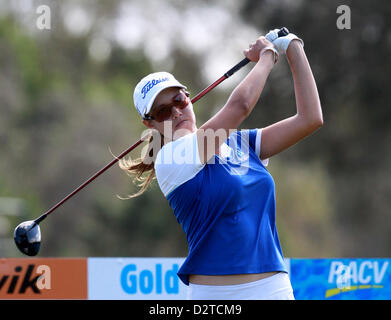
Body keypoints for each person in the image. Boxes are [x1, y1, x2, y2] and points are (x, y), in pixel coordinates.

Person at [120, 29, 323, 300]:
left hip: (274, 289)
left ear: (189, 97)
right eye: (163, 111)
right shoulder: (170, 160)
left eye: (179, 100)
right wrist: (266, 57)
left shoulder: (241, 143)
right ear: (150, 124)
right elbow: (239, 106)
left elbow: (310, 119)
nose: (177, 112)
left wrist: (293, 46)